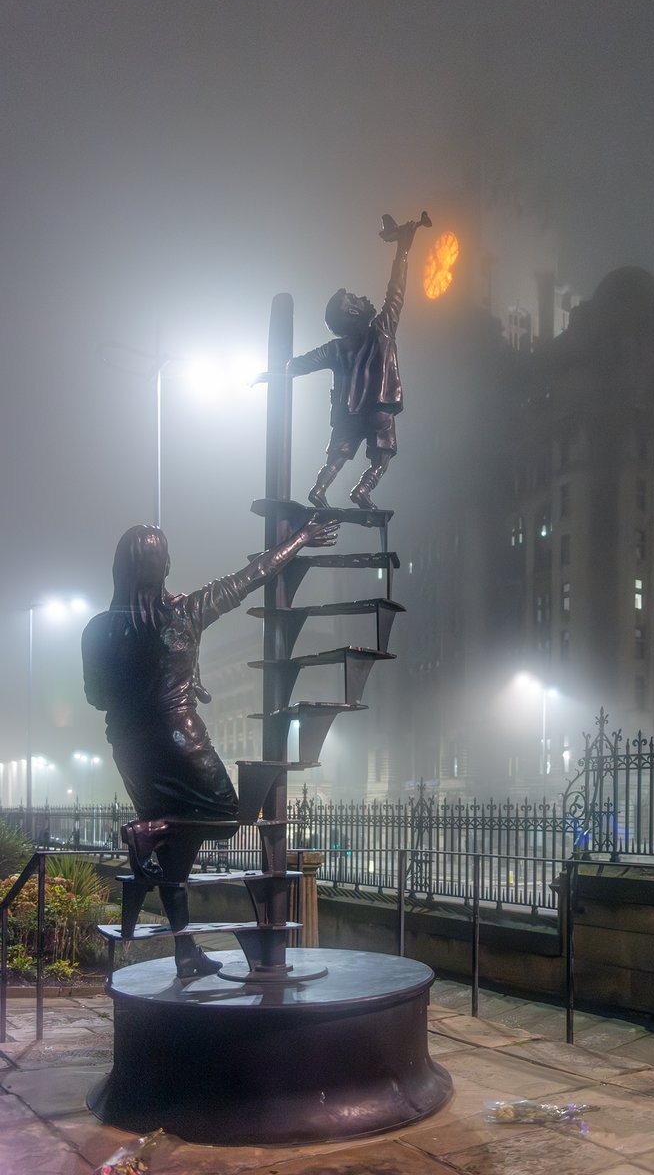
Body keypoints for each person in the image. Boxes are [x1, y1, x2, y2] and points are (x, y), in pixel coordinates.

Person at [82, 516, 338, 980]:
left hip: (128, 747)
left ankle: (186, 953)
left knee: (175, 856)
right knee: (224, 816)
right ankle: (147, 831)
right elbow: (251, 577)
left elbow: (95, 696)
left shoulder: (98, 629)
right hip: (181, 741)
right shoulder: (185, 611)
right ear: (164, 566)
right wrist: (300, 538)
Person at [286, 218, 420, 511]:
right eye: (355, 299)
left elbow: (303, 363)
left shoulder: (336, 347)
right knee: (383, 455)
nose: (362, 298)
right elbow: (396, 291)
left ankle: (320, 488)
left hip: (348, 412)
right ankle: (363, 488)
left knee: (338, 454)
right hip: (379, 409)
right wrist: (403, 250)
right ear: (352, 311)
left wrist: (278, 370)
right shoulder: (382, 328)